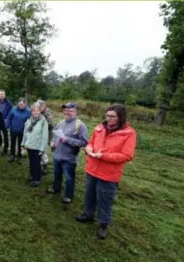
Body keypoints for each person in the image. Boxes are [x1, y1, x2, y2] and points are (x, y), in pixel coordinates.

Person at [76, 104, 136, 240]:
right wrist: (89, 149)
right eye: (107, 116)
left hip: (109, 174)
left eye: (112, 116)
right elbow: (90, 142)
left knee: (105, 200)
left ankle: (103, 225)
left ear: (120, 117)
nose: (109, 119)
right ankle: (88, 214)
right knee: (89, 195)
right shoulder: (99, 128)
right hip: (92, 169)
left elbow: (127, 155)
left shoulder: (129, 133)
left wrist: (103, 156)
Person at [45, 102, 88, 204]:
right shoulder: (61, 122)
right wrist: (53, 142)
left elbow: (84, 142)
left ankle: (68, 196)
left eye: (70, 110)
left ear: (75, 112)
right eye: (65, 110)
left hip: (69, 158)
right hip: (57, 155)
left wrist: (67, 139)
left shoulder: (80, 125)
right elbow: (55, 135)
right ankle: (56, 188)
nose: (67, 112)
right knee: (57, 174)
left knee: (69, 178)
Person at [21, 103, 49, 187]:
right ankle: (32, 175)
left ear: (40, 111)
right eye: (34, 111)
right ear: (31, 112)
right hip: (29, 145)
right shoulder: (29, 120)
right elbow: (25, 133)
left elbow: (45, 136)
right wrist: (23, 144)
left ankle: (37, 179)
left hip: (38, 147)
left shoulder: (43, 121)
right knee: (31, 162)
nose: (36, 112)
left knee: (36, 163)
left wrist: (42, 149)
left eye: (38, 110)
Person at [6, 98, 31, 164]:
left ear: (25, 104)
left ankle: (20, 156)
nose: (21, 105)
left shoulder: (28, 111)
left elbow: (31, 120)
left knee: (21, 144)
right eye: (20, 104)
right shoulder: (13, 109)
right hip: (13, 130)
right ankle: (12, 155)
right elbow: (9, 118)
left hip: (22, 131)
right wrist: (7, 125)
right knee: (12, 143)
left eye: (22, 104)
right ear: (18, 104)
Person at [37, 99, 55, 175]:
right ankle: (39, 165)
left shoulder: (48, 113)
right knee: (39, 150)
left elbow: (51, 124)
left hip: (47, 135)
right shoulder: (37, 112)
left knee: (43, 151)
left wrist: (41, 122)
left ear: (44, 106)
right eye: (38, 106)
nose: (39, 107)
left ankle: (45, 167)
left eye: (40, 106)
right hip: (39, 135)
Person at [0, 90, 12, 156]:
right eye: (0, 94)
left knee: (5, 136)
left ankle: (5, 150)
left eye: (2, 94)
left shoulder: (8, 103)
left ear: (5, 95)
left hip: (5, 122)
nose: (1, 95)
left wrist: (6, 120)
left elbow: (10, 113)